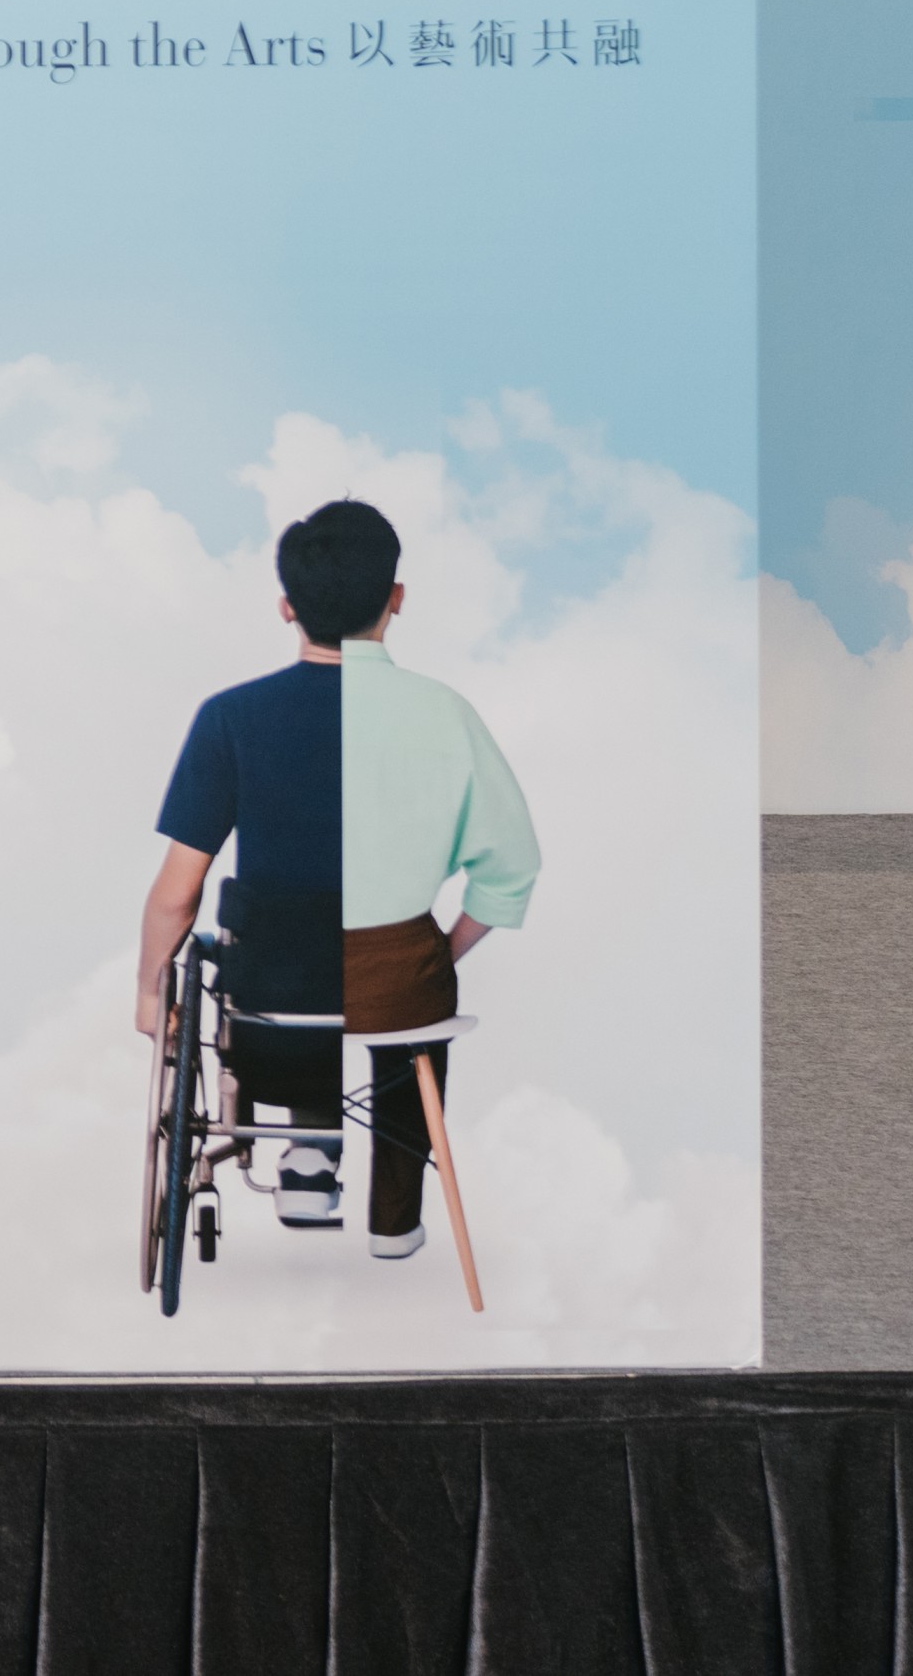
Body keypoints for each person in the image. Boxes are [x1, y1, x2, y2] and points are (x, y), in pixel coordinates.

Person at [134, 499, 538, 1261]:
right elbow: (510, 868)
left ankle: (309, 1153)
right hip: (396, 981)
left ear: (286, 608)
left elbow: (176, 893)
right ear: (396, 599)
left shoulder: (229, 717)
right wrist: (438, 950)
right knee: (400, 1009)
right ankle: (394, 1223)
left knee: (280, 947)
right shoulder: (444, 714)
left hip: (272, 994)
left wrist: (149, 994)